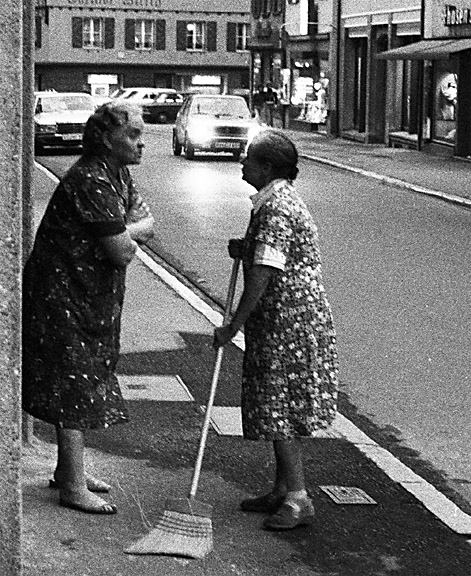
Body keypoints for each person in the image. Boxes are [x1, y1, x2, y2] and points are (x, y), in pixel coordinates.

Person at [22, 100, 155, 515]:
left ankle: (68, 471)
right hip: (63, 295)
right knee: (72, 381)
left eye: (141, 133)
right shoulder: (92, 179)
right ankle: (73, 485)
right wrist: (134, 230)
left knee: (85, 374)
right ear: (104, 138)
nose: (142, 143)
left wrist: (127, 230)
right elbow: (120, 249)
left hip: (89, 294)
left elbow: (131, 228)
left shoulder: (118, 176)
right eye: (133, 134)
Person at [213, 129, 339, 531]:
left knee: (277, 404)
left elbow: (264, 273)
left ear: (267, 167)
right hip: (287, 319)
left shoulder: (277, 207)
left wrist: (234, 323)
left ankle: (299, 498)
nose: (241, 162)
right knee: (277, 402)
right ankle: (283, 488)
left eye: (248, 157)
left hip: (287, 321)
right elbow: (267, 254)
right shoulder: (273, 202)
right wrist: (245, 247)